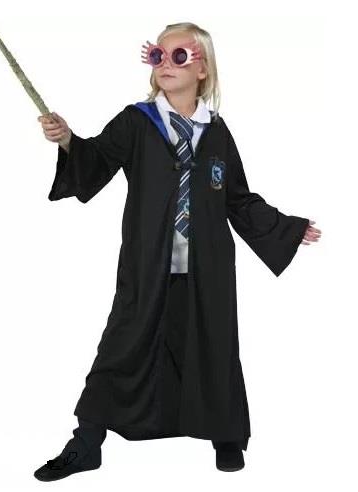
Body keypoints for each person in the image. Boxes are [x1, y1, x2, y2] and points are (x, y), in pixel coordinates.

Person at [34, 22, 321, 480]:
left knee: (213, 347)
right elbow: (95, 160)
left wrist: (284, 228)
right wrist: (68, 140)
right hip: (147, 264)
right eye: (157, 56)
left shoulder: (216, 132)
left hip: (207, 267)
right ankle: (86, 444)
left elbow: (236, 198)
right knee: (121, 347)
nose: (165, 64)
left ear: (202, 69)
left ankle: (226, 434)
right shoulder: (137, 122)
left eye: (179, 56)